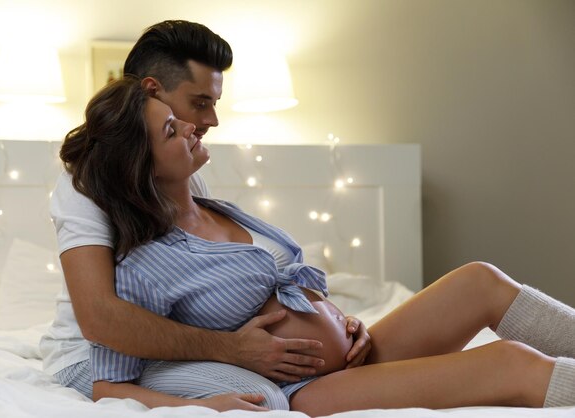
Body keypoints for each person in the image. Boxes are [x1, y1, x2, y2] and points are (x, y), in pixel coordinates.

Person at [59, 75, 575, 416]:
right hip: (306, 389)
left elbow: (287, 286)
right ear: (142, 166)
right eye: (172, 129)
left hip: (351, 354)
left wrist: (337, 317)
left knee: (478, 280)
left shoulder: (214, 208)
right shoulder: (143, 263)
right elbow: (109, 386)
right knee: (509, 363)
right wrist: (211, 403)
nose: (194, 126)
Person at [40, 20, 369, 411]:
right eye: (200, 103)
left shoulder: (182, 175)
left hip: (176, 352)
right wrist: (232, 349)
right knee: (263, 399)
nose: (210, 120)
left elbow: (207, 282)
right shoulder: (87, 185)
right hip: (96, 361)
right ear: (151, 90)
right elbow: (100, 319)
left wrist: (329, 316)